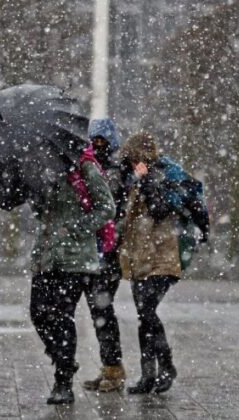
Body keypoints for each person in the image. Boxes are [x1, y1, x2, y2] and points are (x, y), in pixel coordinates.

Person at [29, 143, 115, 405]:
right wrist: (37, 196)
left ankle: (63, 380)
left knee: (61, 316)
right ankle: (62, 358)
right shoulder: (43, 169)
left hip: (75, 259)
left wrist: (78, 228)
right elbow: (42, 213)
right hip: (46, 256)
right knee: (38, 312)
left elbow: (106, 207)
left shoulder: (85, 167)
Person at [118, 131, 185, 394]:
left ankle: (167, 366)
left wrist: (146, 182)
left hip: (161, 259)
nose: (132, 163)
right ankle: (148, 375)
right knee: (144, 317)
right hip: (140, 259)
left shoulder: (161, 177)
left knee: (147, 313)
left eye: (134, 158)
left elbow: (159, 210)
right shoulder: (135, 179)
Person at [80, 118, 133, 392]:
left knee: (102, 309)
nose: (97, 145)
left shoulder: (117, 169)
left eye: (102, 140)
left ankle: (113, 369)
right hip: (95, 250)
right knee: (97, 310)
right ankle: (110, 366)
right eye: (94, 140)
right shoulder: (94, 166)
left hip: (108, 251)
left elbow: (115, 206)